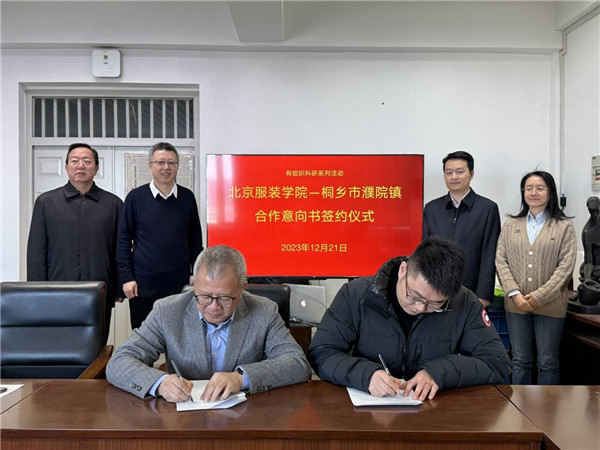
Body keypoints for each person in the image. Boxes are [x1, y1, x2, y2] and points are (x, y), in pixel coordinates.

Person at [307, 237, 511, 401]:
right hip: (368, 413)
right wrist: (366, 375)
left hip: (436, 414)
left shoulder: (464, 302)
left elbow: (497, 362)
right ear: (403, 270)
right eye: (414, 296)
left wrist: (439, 372)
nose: (421, 308)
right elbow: (322, 352)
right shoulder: (355, 295)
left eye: (435, 304)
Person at [107, 245, 311, 402]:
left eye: (224, 298)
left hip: (246, 417)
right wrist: (160, 383)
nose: (214, 307)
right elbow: (119, 362)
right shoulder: (167, 311)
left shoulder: (264, 311)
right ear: (194, 283)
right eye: (204, 296)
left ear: (242, 288)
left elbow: (297, 364)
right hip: (184, 417)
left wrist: (241, 378)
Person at [27, 143, 122, 344]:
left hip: (100, 289)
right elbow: (36, 250)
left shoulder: (113, 204)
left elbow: (119, 249)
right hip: (57, 291)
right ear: (66, 167)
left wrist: (119, 287)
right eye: (75, 161)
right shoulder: (46, 202)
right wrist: (36, 290)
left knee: (97, 345)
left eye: (87, 161)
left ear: (96, 168)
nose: (81, 166)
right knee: (59, 345)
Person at [496, 170, 576, 385]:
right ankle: (519, 405)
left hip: (551, 306)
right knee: (520, 360)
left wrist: (539, 297)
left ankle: (546, 407)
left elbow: (566, 266)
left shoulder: (563, 226)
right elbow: (501, 261)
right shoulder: (511, 225)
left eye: (540, 188)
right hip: (516, 305)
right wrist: (514, 293)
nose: (533, 192)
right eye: (529, 188)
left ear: (550, 192)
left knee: (547, 362)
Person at [117, 142, 204, 330]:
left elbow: (195, 241)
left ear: (177, 167)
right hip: (143, 284)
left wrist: (196, 273)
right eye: (160, 162)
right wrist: (126, 277)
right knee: (144, 335)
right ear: (150, 166)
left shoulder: (187, 197)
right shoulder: (135, 198)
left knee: (180, 335)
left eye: (172, 163)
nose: (166, 167)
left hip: (180, 284)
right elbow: (123, 241)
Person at [422, 151, 500, 308]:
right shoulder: (432, 208)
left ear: (471, 174)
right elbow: (426, 252)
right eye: (449, 172)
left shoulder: (487, 208)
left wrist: (484, 295)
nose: (454, 177)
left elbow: (489, 253)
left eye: (460, 172)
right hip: (436, 291)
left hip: (472, 292)